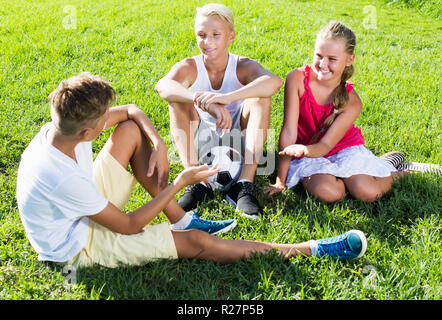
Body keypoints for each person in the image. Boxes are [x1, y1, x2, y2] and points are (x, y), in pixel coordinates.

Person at [16, 73, 367, 268]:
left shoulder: (60, 127)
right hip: (77, 245)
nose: (108, 116)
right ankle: (309, 249)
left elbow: (131, 112)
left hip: (77, 206)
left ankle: (182, 219)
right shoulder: (60, 176)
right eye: (100, 121)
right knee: (198, 243)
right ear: (87, 134)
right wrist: (179, 182)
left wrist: (159, 143)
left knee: (129, 132)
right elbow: (130, 225)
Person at [155, 3, 283, 220]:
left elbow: (274, 82)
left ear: (231, 36)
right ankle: (196, 181)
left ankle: (244, 184)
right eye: (202, 35)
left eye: (216, 35)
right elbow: (163, 86)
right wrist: (203, 101)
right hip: (202, 139)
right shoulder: (190, 66)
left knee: (261, 97)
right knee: (177, 100)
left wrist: (225, 98)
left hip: (238, 138)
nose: (208, 42)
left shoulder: (243, 66)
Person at [265, 21, 405, 203]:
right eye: (318, 55)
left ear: (349, 60)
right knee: (330, 193)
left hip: (341, 148)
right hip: (305, 151)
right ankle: (351, 177)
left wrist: (304, 150)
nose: (323, 64)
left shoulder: (352, 102)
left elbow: (325, 146)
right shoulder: (297, 79)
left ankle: (398, 171)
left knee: (367, 192)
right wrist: (280, 182)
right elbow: (289, 132)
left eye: (332, 59)